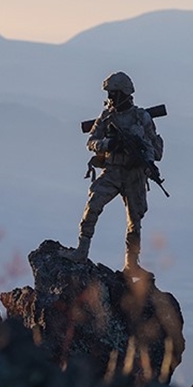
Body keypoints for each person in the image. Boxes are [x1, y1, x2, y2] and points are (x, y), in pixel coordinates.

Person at [64, 71, 164, 277]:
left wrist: (147, 162)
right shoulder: (106, 117)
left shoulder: (141, 118)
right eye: (109, 94)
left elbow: (153, 147)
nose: (110, 98)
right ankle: (81, 251)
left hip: (134, 173)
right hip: (112, 171)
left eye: (113, 94)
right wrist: (109, 144)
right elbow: (90, 142)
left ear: (124, 93)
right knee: (92, 207)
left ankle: (131, 264)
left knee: (135, 220)